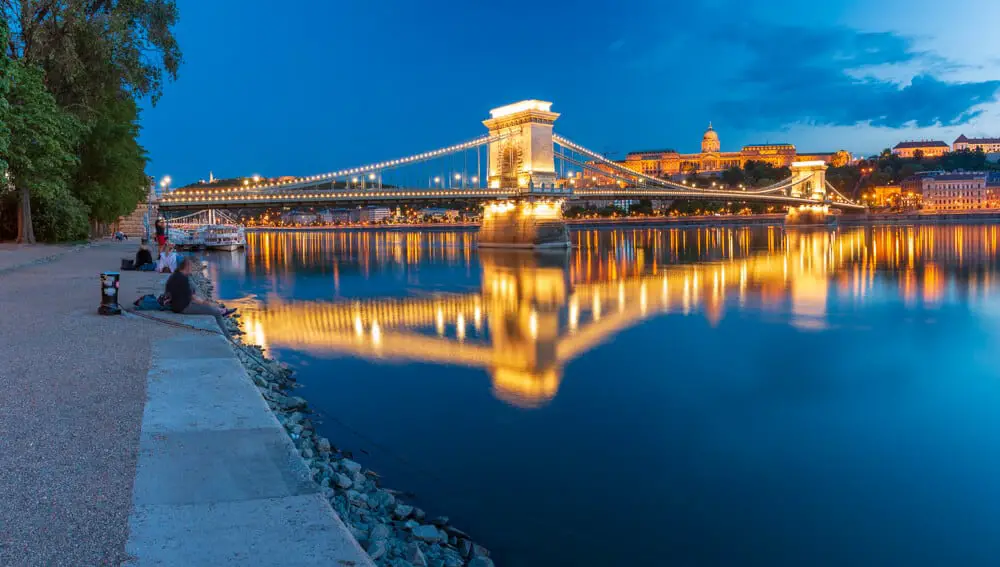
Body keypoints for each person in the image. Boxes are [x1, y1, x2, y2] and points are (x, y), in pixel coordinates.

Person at [164, 257, 235, 316]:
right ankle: (221, 313)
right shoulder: (183, 279)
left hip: (175, 305)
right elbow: (192, 297)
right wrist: (204, 302)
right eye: (191, 266)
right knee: (215, 313)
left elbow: (169, 292)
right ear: (186, 266)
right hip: (182, 307)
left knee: (208, 306)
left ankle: (220, 310)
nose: (192, 268)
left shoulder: (174, 276)